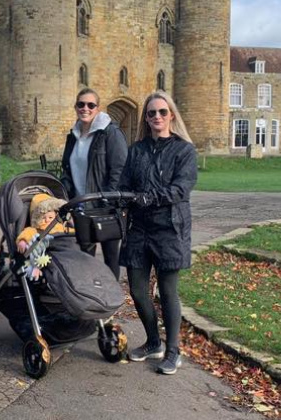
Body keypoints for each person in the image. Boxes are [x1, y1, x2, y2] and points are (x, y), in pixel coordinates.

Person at [117, 91, 197, 375]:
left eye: (162, 112)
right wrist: (120, 199)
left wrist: (149, 197)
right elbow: (125, 183)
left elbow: (181, 188)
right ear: (146, 118)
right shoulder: (136, 150)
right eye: (151, 113)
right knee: (138, 291)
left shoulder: (184, 150)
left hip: (170, 228)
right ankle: (153, 342)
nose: (157, 117)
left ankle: (173, 350)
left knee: (167, 291)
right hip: (139, 228)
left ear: (171, 115)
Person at [59, 88, 128, 279]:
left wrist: (108, 199)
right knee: (85, 257)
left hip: (105, 206)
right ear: (75, 107)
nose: (85, 108)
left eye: (91, 105)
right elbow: (67, 169)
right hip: (81, 206)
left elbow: (119, 169)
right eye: (81, 104)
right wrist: (64, 195)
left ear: (98, 108)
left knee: (111, 257)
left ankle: (111, 294)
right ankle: (90, 293)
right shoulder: (73, 136)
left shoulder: (110, 133)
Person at [16, 193, 74, 279]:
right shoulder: (36, 230)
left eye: (50, 217)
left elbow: (72, 232)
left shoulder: (62, 227)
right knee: (36, 243)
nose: (47, 220)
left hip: (63, 249)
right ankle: (33, 269)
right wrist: (23, 241)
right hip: (44, 253)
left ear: (56, 216)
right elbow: (27, 233)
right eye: (43, 218)